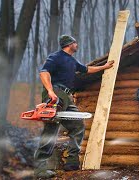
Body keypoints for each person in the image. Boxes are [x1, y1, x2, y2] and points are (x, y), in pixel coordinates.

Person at [34, 35, 114, 178]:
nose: (77, 44)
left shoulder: (72, 61)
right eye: (75, 42)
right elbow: (43, 72)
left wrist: (105, 67)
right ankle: (40, 169)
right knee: (51, 130)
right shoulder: (56, 57)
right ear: (69, 44)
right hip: (55, 93)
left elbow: (87, 69)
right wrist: (50, 91)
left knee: (77, 126)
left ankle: (71, 163)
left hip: (67, 97)